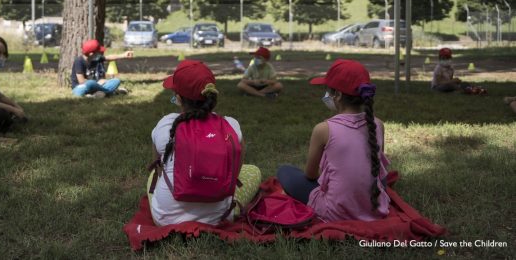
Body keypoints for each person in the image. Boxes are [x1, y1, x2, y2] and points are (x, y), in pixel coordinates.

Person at [148, 60, 261, 226]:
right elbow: (234, 173)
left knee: (152, 177)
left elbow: (159, 169)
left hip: (166, 219)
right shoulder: (231, 126)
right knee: (253, 171)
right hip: (219, 217)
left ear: (178, 99)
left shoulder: (166, 124)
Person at [276, 59, 390, 222]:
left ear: (338, 95)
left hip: (336, 212)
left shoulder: (323, 129)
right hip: (374, 207)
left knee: (285, 171)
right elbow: (375, 167)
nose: (326, 95)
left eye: (328, 91)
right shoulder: (378, 124)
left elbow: (310, 174)